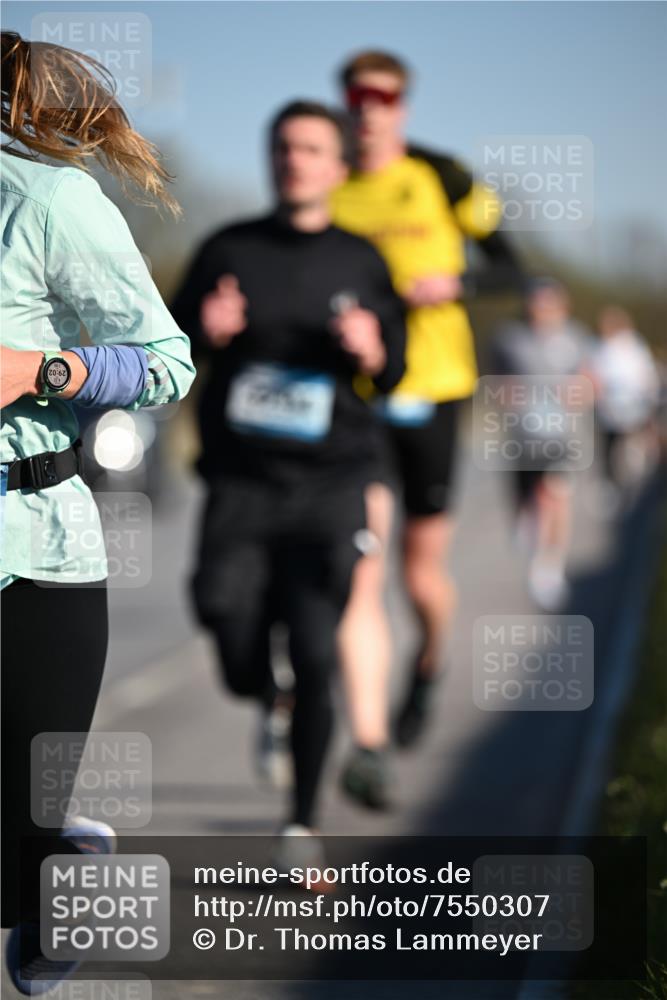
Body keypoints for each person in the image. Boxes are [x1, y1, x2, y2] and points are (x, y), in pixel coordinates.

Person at [0, 30, 195, 994]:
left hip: (31, 552)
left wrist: (40, 368)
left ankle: (59, 870)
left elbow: (165, 362)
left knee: (22, 868)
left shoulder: (46, 198)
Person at [170, 102, 405, 852]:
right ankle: (264, 698)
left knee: (314, 648)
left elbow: (393, 369)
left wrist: (370, 350)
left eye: (309, 148)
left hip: (329, 485)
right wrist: (203, 332)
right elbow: (169, 353)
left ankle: (301, 823)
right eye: (282, 147)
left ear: (337, 167)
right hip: (240, 483)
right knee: (219, 611)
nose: (293, 159)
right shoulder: (226, 248)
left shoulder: (362, 261)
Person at [329, 50, 523, 797]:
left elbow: (512, 268)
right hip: (358, 398)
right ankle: (368, 741)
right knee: (363, 565)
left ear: (402, 104)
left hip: (438, 391)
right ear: (346, 103)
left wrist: (458, 281)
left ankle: (429, 662)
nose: (370, 108)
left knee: (418, 573)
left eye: (385, 96)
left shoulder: (441, 177)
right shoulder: (332, 185)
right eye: (358, 95)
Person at [490, 278, 593, 610]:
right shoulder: (510, 338)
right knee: (526, 498)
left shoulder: (576, 338)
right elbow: (496, 380)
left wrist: (580, 393)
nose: (542, 309)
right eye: (537, 302)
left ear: (563, 306)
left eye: (549, 303)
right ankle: (524, 516)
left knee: (556, 496)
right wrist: (507, 398)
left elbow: (590, 380)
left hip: (561, 435)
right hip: (524, 435)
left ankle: (549, 568)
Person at [590, 305, 661, 494]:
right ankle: (612, 483)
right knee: (611, 446)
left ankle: (634, 479)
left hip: (632, 404)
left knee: (629, 443)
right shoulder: (601, 347)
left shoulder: (633, 345)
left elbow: (644, 374)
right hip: (611, 407)